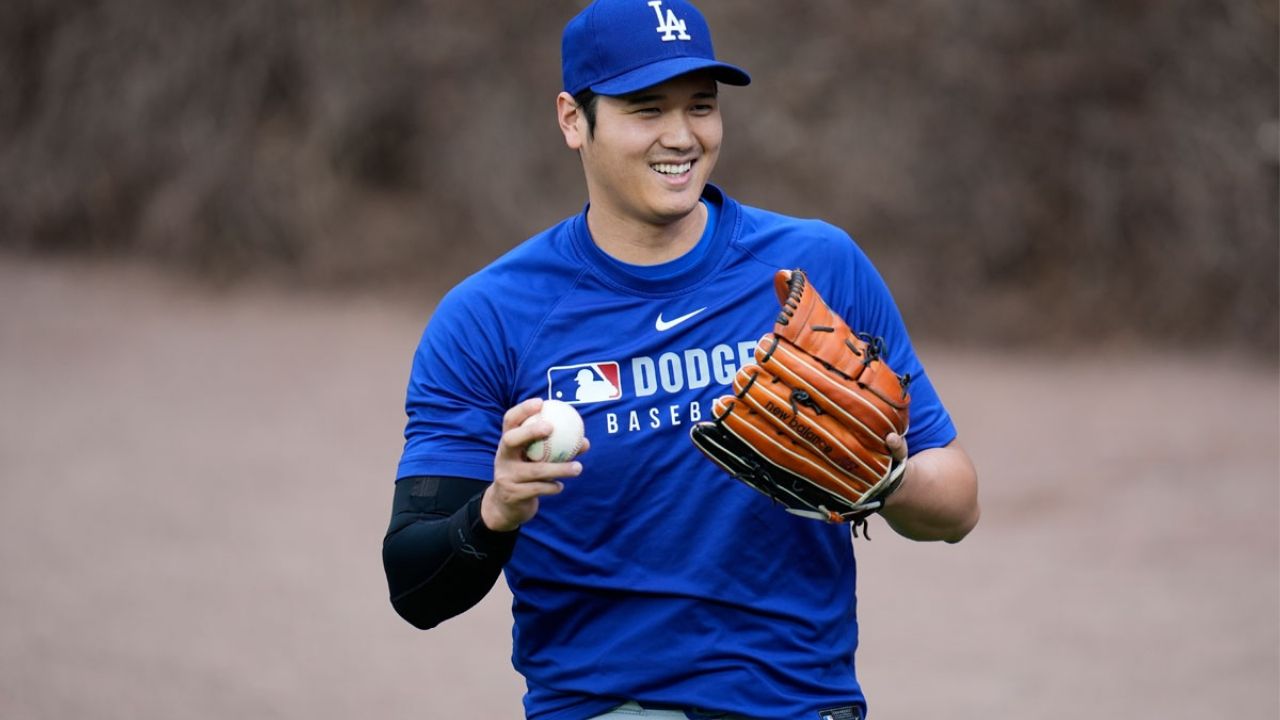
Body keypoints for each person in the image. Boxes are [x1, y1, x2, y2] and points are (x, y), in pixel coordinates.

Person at [382, 1, 980, 718]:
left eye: (701, 106)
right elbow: (415, 587)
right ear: (574, 119)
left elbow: (958, 502)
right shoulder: (488, 318)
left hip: (800, 704)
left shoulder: (815, 267)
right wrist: (496, 509)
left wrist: (881, 479)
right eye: (646, 109)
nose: (681, 136)